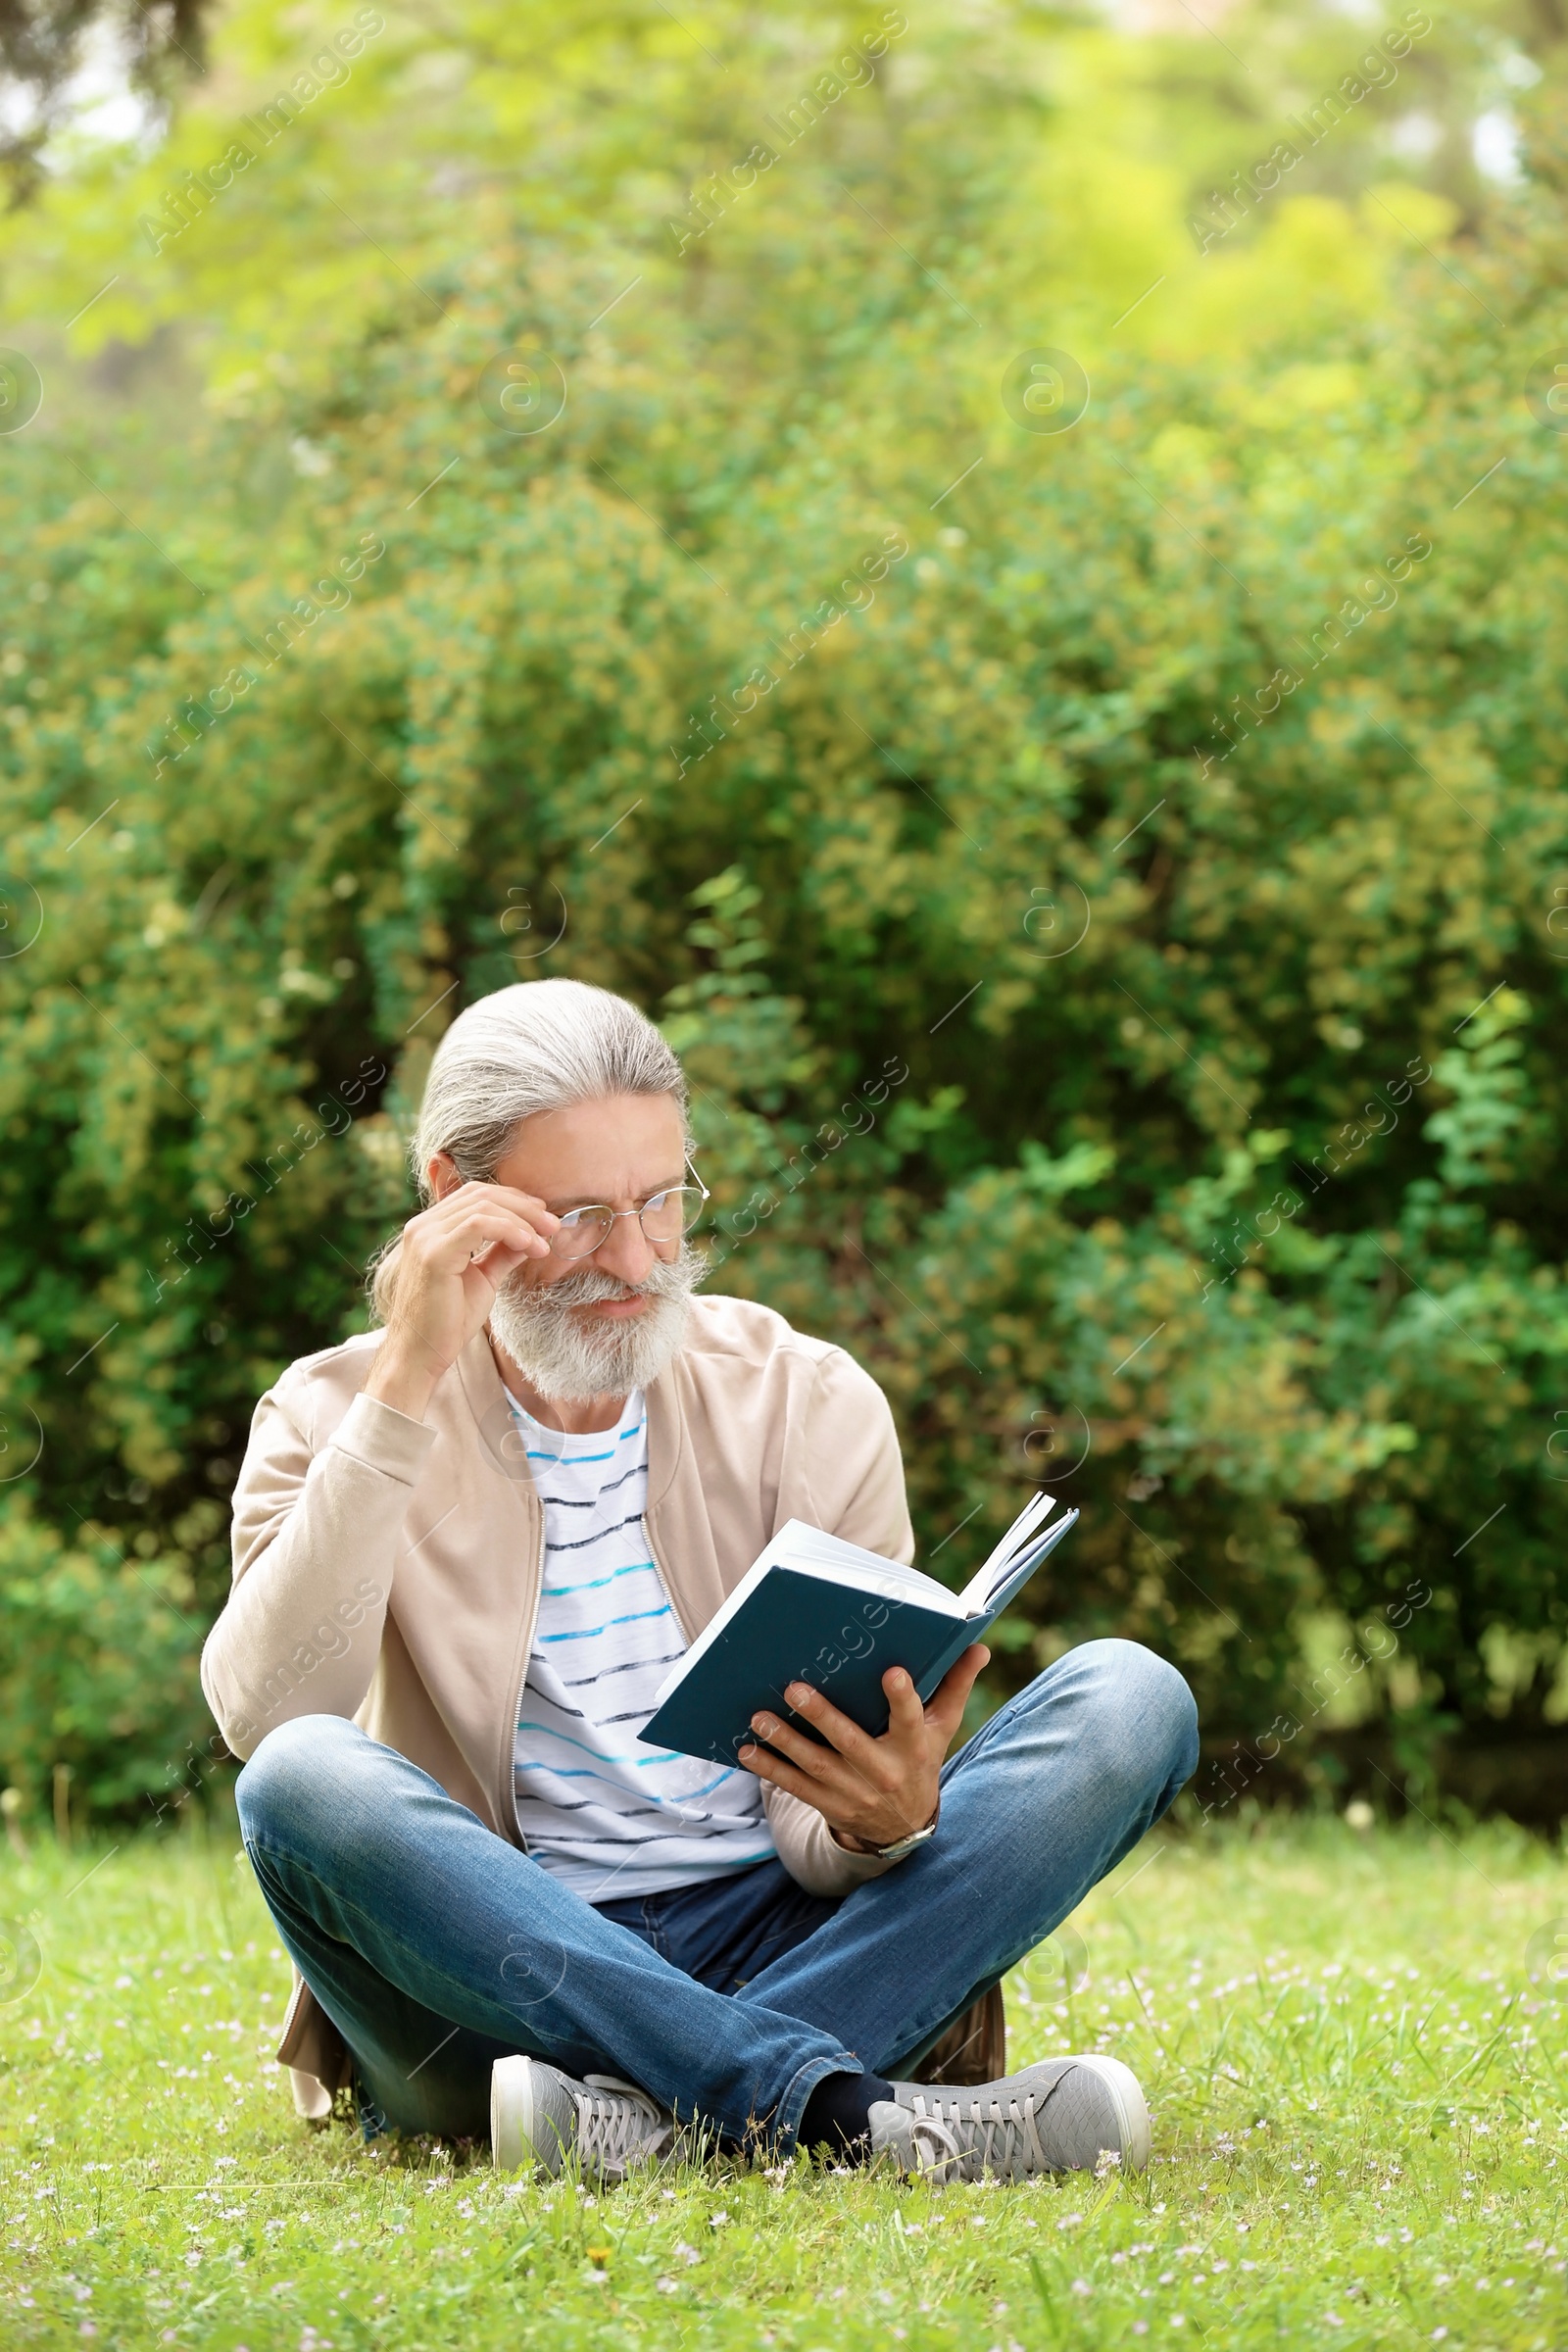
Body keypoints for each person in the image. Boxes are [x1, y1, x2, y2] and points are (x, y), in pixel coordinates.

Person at [204, 978, 1199, 2183]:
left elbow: (823, 1831)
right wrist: (406, 1383)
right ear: (453, 1199)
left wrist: (877, 1823)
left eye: (661, 1200)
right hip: (501, 1980)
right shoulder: (331, 1412)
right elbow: (269, 1719)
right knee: (304, 1778)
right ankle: (837, 2109)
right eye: (578, 1214)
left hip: (790, 1928)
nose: (634, 1258)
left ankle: (660, 2118)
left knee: (1130, 1697)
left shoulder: (804, 1395)